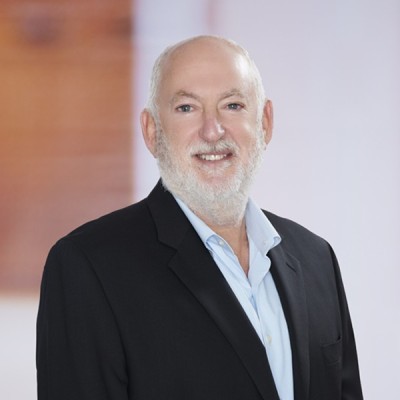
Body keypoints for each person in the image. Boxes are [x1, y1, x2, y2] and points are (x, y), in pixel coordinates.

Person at [36, 35, 363, 400]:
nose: (213, 130)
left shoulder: (316, 259)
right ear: (152, 131)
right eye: (187, 108)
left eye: (233, 105)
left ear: (265, 122)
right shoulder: (89, 266)